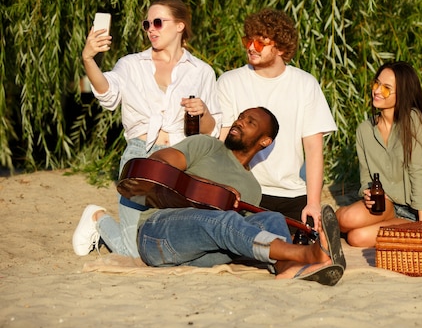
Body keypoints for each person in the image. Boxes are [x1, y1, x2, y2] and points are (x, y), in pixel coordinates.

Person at [73, 0, 221, 258]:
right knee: (132, 252)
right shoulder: (131, 65)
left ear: (179, 25)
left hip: (182, 158)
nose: (151, 29)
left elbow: (211, 130)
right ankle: (97, 217)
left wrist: (203, 111)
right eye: (147, 24)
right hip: (140, 155)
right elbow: (108, 95)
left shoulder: (202, 71)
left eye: (157, 22)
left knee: (174, 240)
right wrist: (88, 59)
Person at [134, 107, 345, 286]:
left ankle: (287, 267)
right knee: (224, 220)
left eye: (250, 122)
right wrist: (211, 188)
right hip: (158, 234)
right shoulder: (205, 145)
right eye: (241, 117)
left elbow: (241, 234)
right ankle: (306, 254)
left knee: (273, 218)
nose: (240, 122)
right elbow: (158, 163)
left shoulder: (252, 188)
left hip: (199, 257)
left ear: (264, 141)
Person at [216, 8, 337, 231]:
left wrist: (313, 203)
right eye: (248, 40)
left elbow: (313, 150)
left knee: (299, 244)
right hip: (246, 192)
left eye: (260, 43)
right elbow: (222, 143)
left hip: (292, 193)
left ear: (280, 47)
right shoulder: (230, 82)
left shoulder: (304, 84)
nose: (251, 47)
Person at [336, 61, 422, 247]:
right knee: (345, 218)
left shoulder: (414, 121)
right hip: (385, 204)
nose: (377, 90)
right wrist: (366, 193)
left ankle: (411, 230)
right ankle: (322, 237)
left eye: (387, 88)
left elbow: (420, 172)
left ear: (402, 94)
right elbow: (366, 176)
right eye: (376, 84)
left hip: (414, 212)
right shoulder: (364, 130)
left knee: (356, 238)